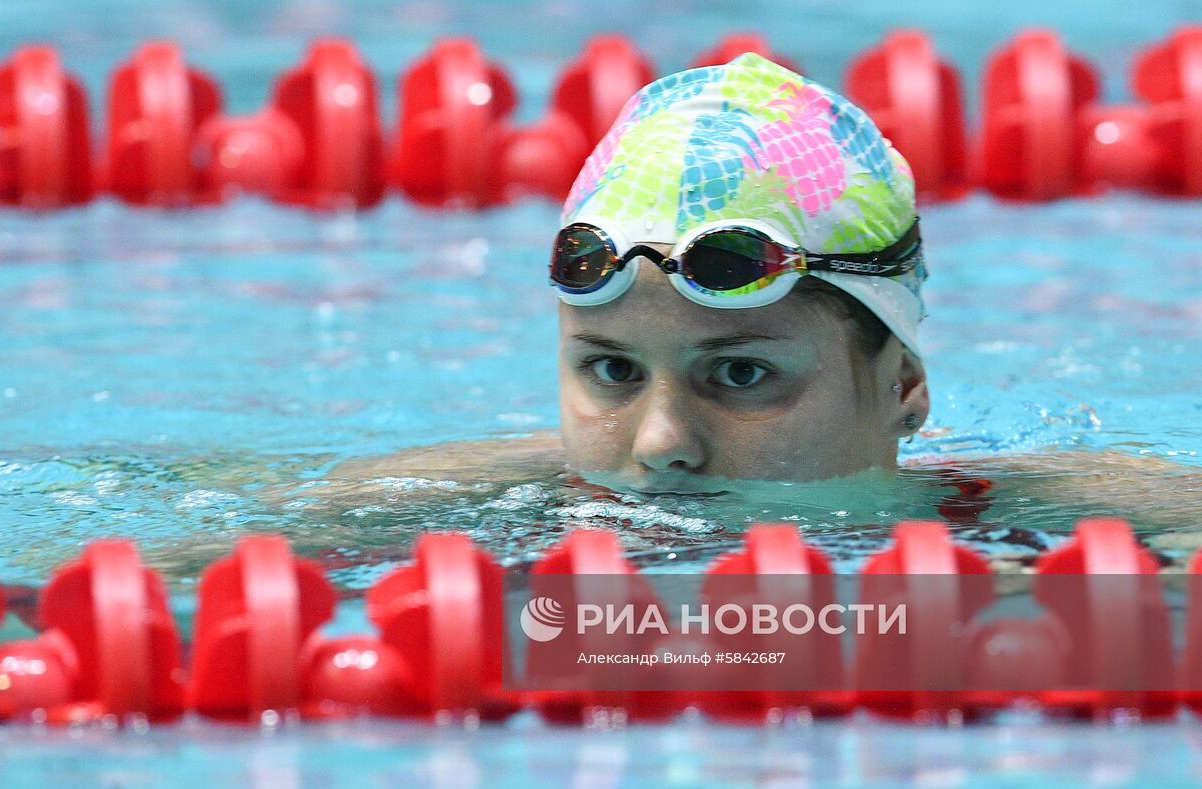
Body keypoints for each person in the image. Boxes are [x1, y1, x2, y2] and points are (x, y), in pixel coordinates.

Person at [311, 55, 1201, 565]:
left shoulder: (1034, 518)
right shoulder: (453, 505)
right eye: (612, 369)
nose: (661, 444)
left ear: (903, 387)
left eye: (740, 374)